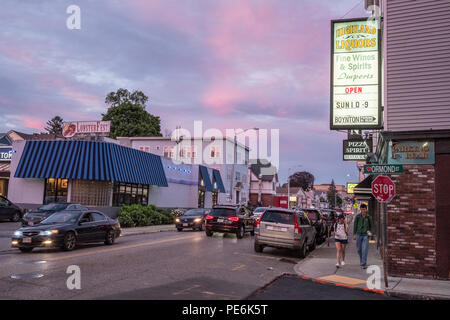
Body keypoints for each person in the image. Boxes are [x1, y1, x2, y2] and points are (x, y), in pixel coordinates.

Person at [353, 204, 374, 269]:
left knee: (364, 249)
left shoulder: (369, 217)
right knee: (359, 249)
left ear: (366, 209)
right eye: (362, 209)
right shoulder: (358, 217)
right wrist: (354, 234)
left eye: (364, 209)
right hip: (359, 235)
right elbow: (355, 225)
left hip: (366, 235)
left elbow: (372, 226)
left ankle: (363, 263)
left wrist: (371, 233)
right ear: (360, 209)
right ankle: (362, 260)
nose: (363, 211)